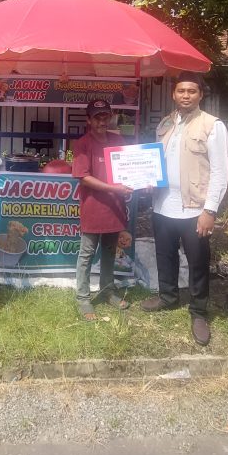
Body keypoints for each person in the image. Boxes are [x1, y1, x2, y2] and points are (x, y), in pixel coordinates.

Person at [141, 73, 228, 347]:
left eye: (192, 91)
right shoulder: (166, 123)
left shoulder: (213, 126)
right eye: (181, 91)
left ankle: (199, 311)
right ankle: (168, 297)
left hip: (195, 209)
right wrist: (147, 180)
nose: (186, 95)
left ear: (200, 94)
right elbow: (156, 160)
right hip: (163, 205)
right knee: (165, 255)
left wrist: (210, 210)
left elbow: (220, 171)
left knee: (198, 261)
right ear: (174, 94)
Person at [72, 99, 134, 321]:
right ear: (89, 120)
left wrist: (138, 183)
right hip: (93, 207)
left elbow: (128, 169)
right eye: (97, 117)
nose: (102, 121)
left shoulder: (118, 140)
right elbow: (83, 178)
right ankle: (83, 297)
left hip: (115, 207)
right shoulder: (82, 144)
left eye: (105, 116)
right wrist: (114, 188)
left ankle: (108, 290)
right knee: (87, 254)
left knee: (109, 252)